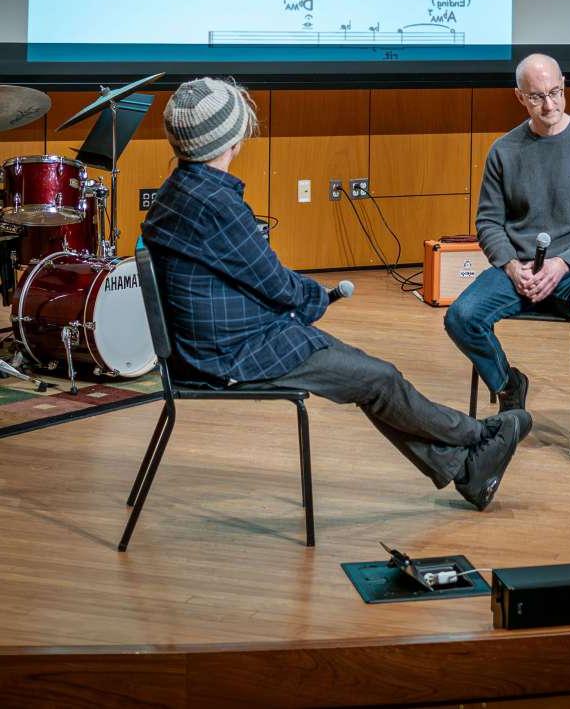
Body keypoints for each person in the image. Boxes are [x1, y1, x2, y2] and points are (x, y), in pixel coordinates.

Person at [141, 77, 529, 511]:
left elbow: (253, 278)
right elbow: (276, 283)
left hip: (210, 345)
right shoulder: (217, 204)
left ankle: (468, 470)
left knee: (371, 377)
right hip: (233, 354)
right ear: (231, 138)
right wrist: (315, 300)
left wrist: (299, 302)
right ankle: (480, 437)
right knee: (378, 379)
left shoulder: (177, 192)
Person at [444, 54, 570, 475]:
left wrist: (563, 264)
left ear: (564, 84)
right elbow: (488, 221)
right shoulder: (504, 150)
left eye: (555, 92)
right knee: (461, 316)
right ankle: (509, 386)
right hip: (518, 269)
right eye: (538, 97)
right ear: (520, 98)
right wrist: (509, 265)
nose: (550, 105)